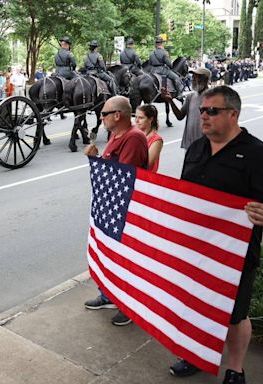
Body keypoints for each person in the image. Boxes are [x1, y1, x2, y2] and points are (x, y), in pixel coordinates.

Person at [169, 85, 263, 384]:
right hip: (195, 246)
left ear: (233, 114)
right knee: (195, 304)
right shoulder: (198, 147)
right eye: (202, 110)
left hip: (235, 253)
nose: (204, 116)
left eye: (212, 111)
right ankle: (197, 354)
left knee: (234, 315)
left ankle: (235, 369)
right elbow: (185, 192)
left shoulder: (258, 154)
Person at [84, 96, 148, 327]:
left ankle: (128, 305)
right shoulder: (115, 136)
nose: (101, 118)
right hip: (110, 207)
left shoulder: (133, 138)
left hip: (125, 210)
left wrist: (98, 162)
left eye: (104, 114)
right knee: (109, 254)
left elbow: (123, 176)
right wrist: (96, 159)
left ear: (117, 115)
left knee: (125, 260)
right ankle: (108, 295)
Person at [161, 67, 211, 150]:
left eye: (196, 77)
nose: (192, 79)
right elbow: (180, 116)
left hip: (205, 145)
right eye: (193, 76)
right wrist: (170, 101)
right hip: (190, 145)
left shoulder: (213, 96)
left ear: (205, 79)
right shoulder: (190, 97)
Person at [134, 104, 162, 172]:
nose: (136, 121)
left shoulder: (156, 140)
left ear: (150, 119)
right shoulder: (134, 134)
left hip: (144, 178)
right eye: (135, 117)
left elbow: (147, 164)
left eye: (141, 118)